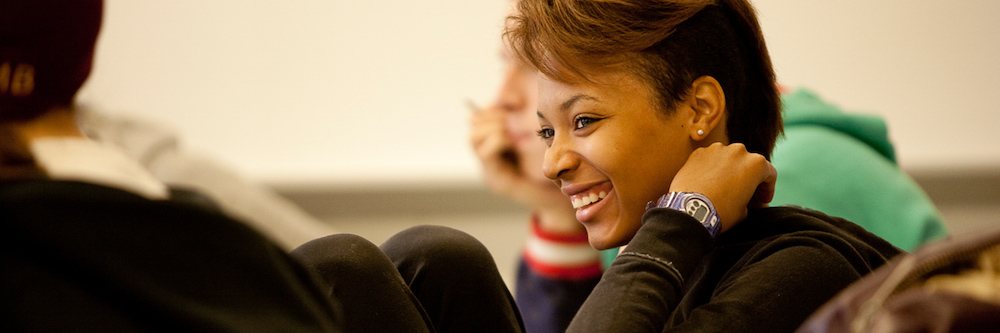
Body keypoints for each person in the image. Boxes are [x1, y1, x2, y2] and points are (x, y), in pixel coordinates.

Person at [1, 1, 524, 331]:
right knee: (352, 265)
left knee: (433, 255)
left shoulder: (154, 173)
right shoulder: (172, 207)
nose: (503, 100)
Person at [472, 2, 947, 332]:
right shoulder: (667, 239)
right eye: (546, 132)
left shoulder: (798, 264)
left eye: (584, 120)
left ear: (699, 110)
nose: (553, 162)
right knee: (438, 255)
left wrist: (684, 216)